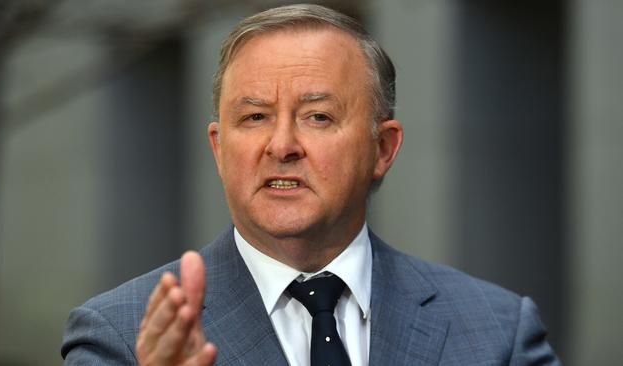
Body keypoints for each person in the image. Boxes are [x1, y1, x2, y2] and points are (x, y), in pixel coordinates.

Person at [61, 4, 560, 365]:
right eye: (254, 117)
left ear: (382, 149)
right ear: (219, 148)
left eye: (318, 116)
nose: (281, 145)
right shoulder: (120, 337)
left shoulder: (498, 331)